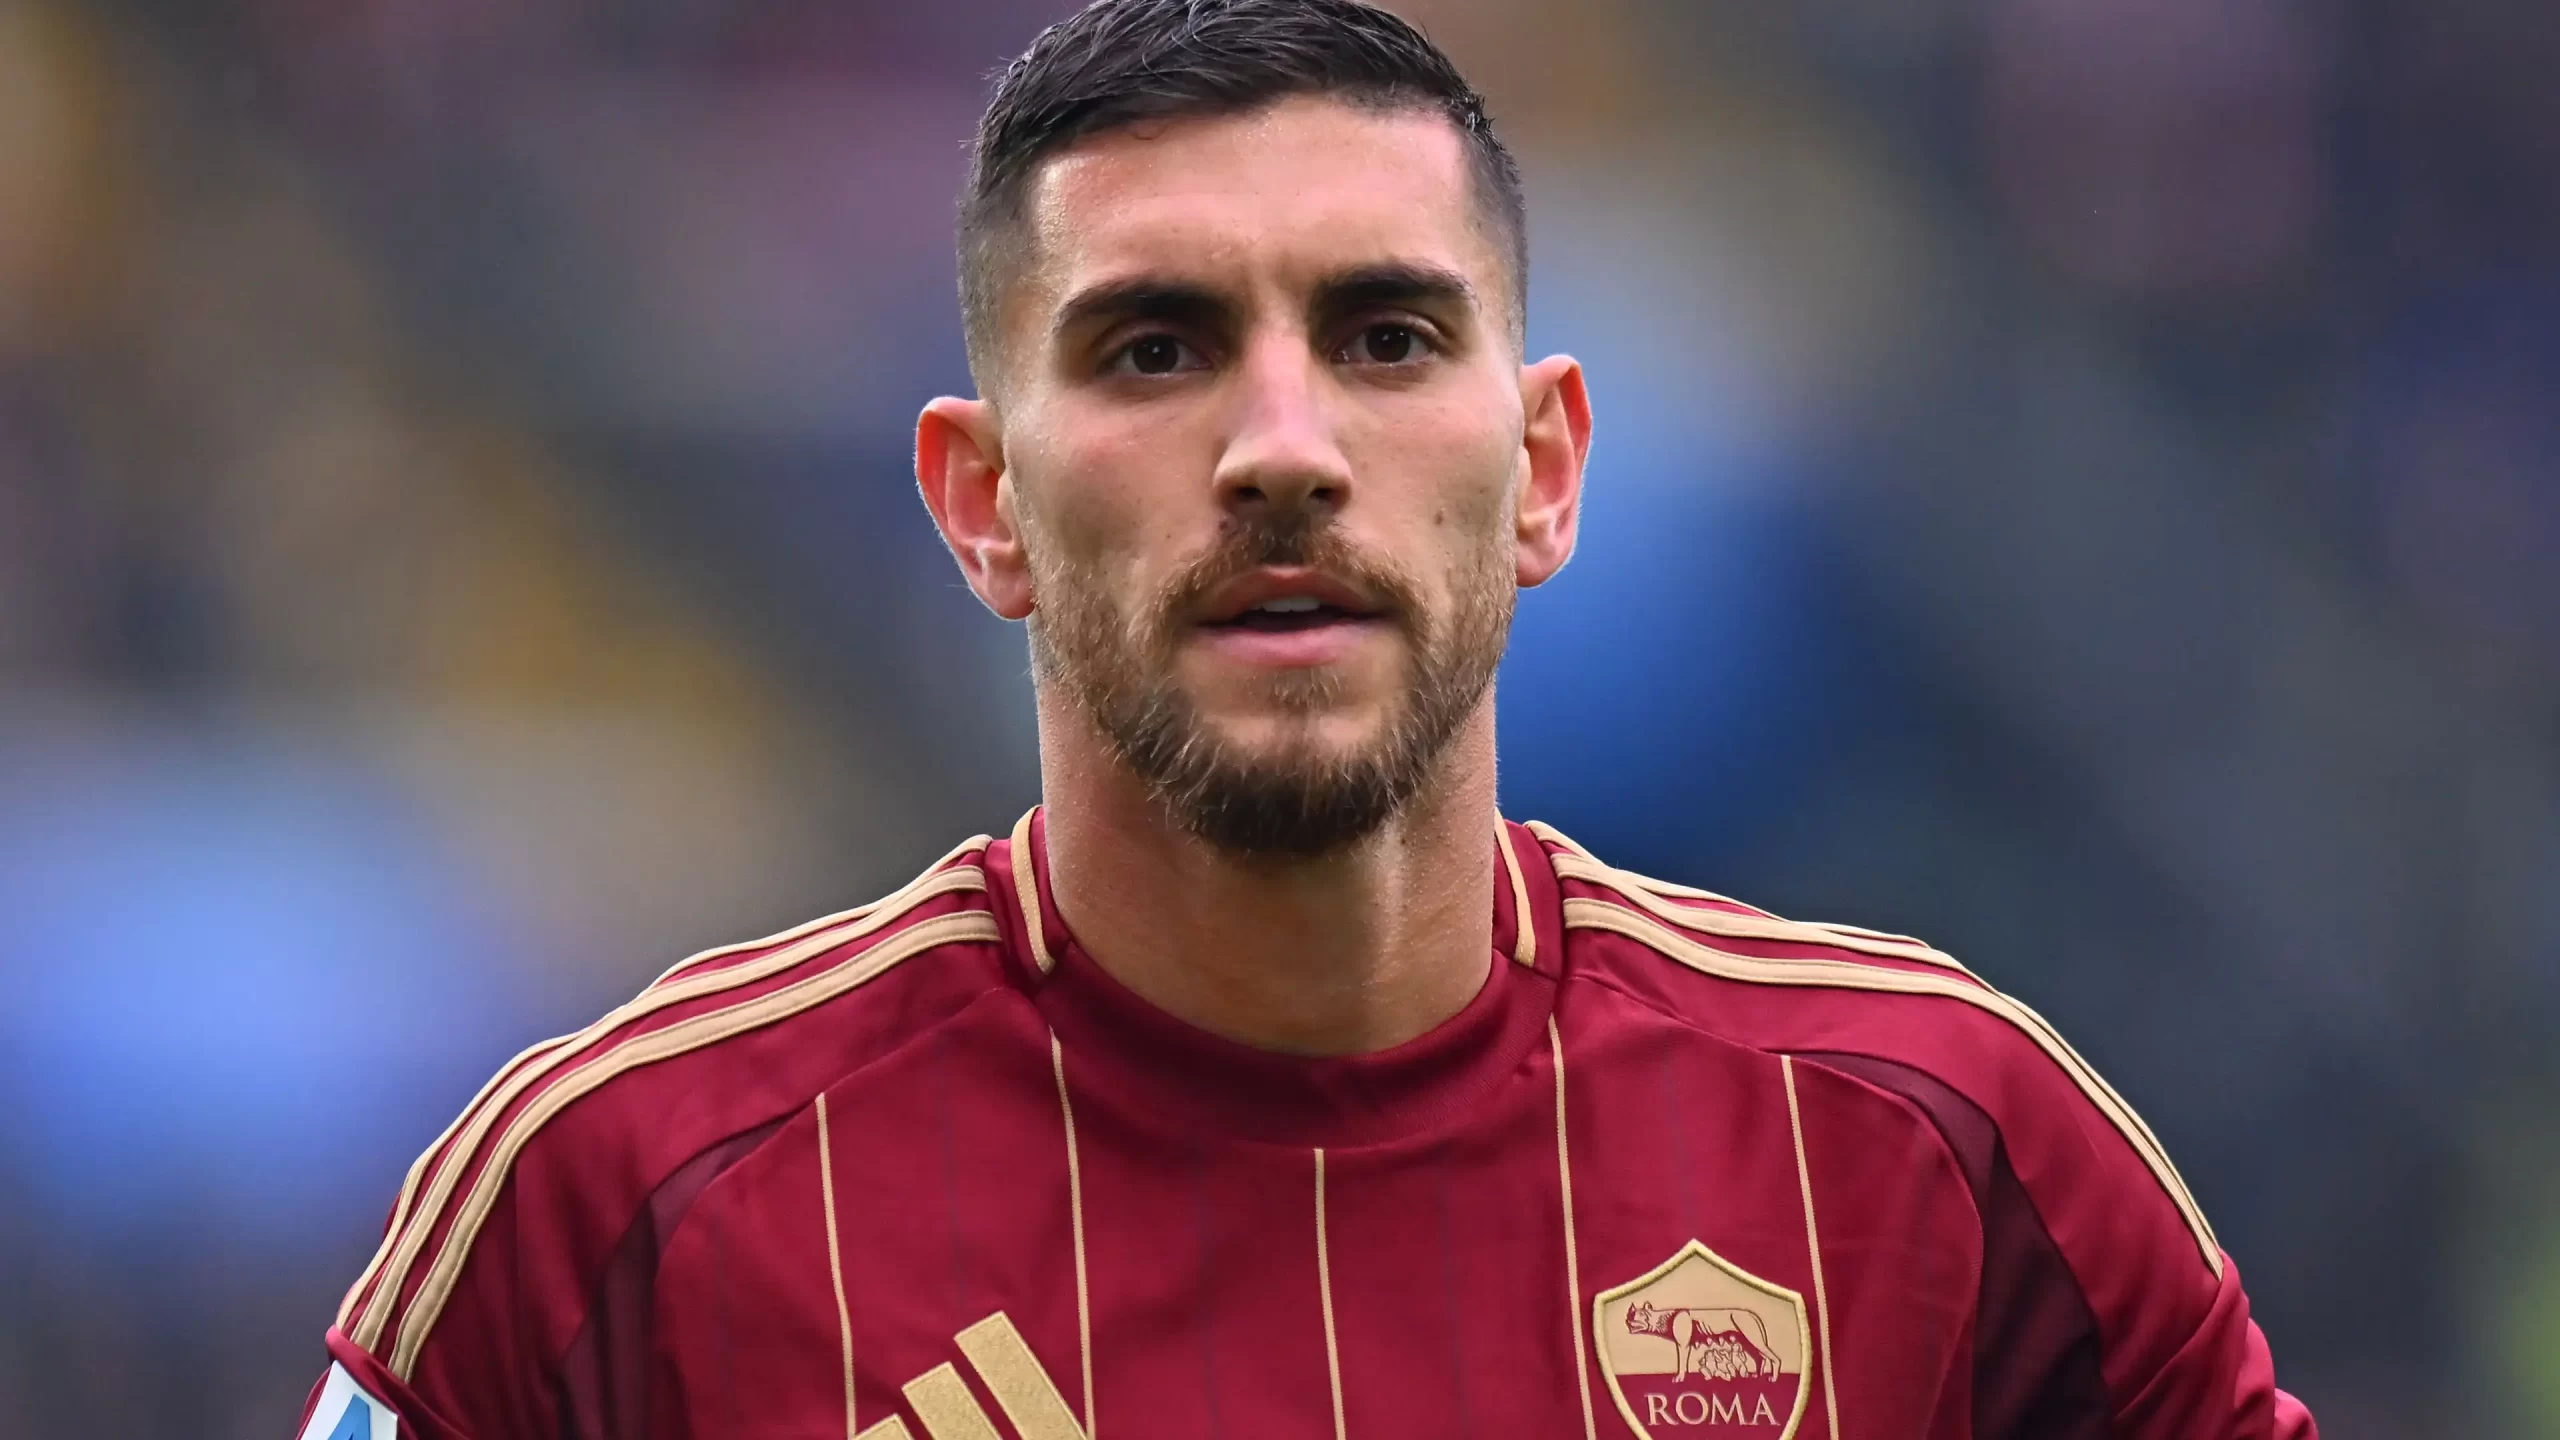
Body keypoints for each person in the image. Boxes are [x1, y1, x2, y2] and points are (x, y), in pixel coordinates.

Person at [296, 2, 2317, 1436]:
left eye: (1384, 336)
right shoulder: (610, 1206)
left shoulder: (1935, 1152)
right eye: (1154, 348)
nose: (1282, 446)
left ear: (1544, 472)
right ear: (981, 503)